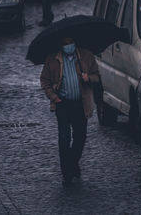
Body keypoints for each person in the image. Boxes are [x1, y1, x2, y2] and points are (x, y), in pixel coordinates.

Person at [40, 37, 100, 186]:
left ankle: (72, 163)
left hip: (80, 104)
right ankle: (66, 173)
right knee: (64, 137)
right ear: (60, 45)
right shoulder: (52, 59)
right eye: (65, 43)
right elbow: (45, 81)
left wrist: (89, 78)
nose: (69, 46)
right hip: (63, 104)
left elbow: (97, 76)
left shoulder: (86, 56)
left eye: (71, 42)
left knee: (80, 136)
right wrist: (54, 97)